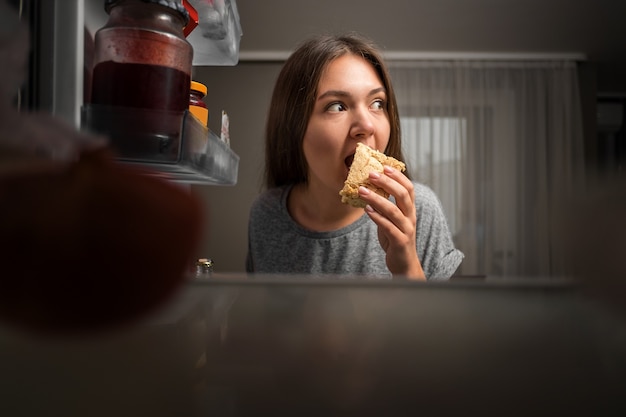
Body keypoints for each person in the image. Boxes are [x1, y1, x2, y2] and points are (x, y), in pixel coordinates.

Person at [246, 32, 463, 280]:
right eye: (337, 106)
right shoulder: (267, 214)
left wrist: (407, 269)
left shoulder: (419, 210)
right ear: (293, 127)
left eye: (377, 103)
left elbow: (441, 320)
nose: (367, 125)